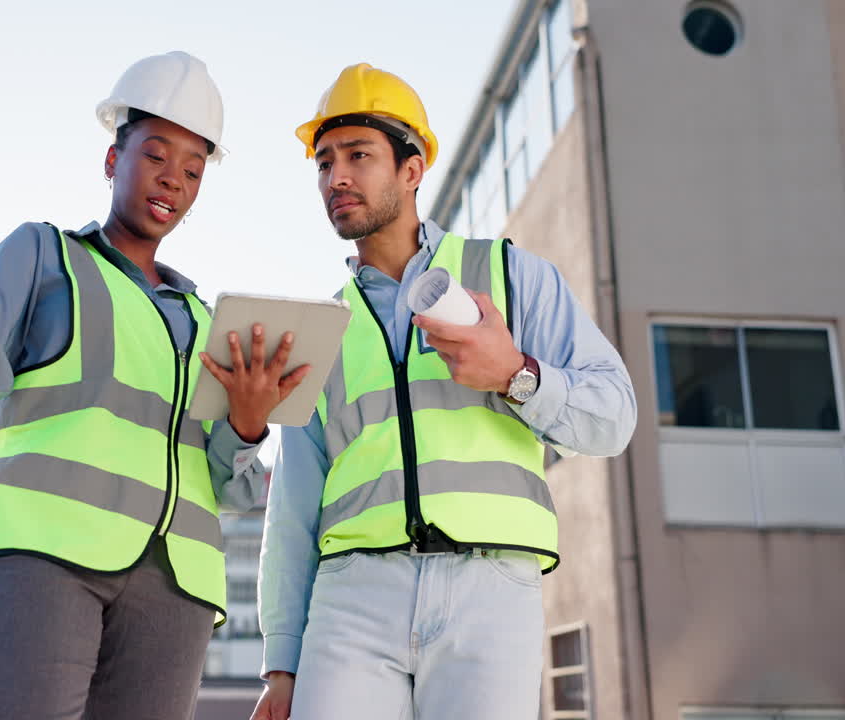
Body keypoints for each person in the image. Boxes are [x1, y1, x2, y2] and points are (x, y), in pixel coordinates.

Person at [0, 51, 308, 720]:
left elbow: (232, 487)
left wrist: (251, 424)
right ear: (113, 160)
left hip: (175, 591)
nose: (173, 180)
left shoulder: (208, 324)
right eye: (156, 156)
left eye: (193, 171)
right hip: (38, 559)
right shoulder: (44, 256)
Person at [252, 63, 637, 720]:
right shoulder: (316, 331)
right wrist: (282, 665)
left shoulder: (513, 278)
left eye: (358, 156)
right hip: (351, 601)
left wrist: (516, 374)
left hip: (489, 592)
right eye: (323, 162)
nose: (335, 177)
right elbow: (292, 512)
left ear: (412, 170)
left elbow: (614, 419)